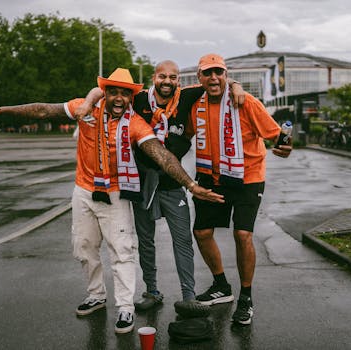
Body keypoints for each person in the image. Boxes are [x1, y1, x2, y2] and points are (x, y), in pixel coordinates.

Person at [0, 68, 223, 334]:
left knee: (122, 251)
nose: (117, 98)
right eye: (112, 92)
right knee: (84, 247)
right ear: (104, 92)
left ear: (130, 97)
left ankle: (125, 308)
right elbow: (43, 110)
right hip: (84, 190)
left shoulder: (136, 122)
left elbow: (162, 155)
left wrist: (192, 185)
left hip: (117, 193)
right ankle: (96, 294)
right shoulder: (86, 108)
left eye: (124, 94)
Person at [75, 61, 244, 318]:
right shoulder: (139, 98)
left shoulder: (186, 96)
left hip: (173, 183)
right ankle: (152, 292)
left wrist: (236, 85)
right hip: (141, 183)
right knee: (145, 241)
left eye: (173, 77)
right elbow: (104, 91)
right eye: (162, 76)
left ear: (178, 80)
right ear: (154, 78)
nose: (167, 81)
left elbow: (215, 83)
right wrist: (88, 101)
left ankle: (189, 296)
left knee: (182, 241)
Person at [187, 54, 292, 325]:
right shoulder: (194, 104)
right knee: (201, 232)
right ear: (199, 77)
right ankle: (221, 286)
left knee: (243, 234)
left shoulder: (245, 102)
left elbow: (278, 134)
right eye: (207, 73)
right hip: (211, 176)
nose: (213, 78)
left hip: (247, 177)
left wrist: (285, 145)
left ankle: (246, 297)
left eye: (219, 73)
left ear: (226, 74)